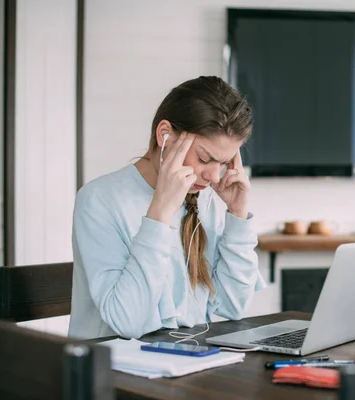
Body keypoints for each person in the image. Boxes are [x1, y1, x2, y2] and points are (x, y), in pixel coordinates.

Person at [68, 76, 266, 339]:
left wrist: (237, 216)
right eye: (205, 158)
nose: (214, 177)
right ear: (165, 135)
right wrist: (161, 211)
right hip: (114, 369)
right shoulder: (98, 200)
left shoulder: (205, 197)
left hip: (189, 360)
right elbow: (128, 323)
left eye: (224, 162)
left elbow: (233, 306)